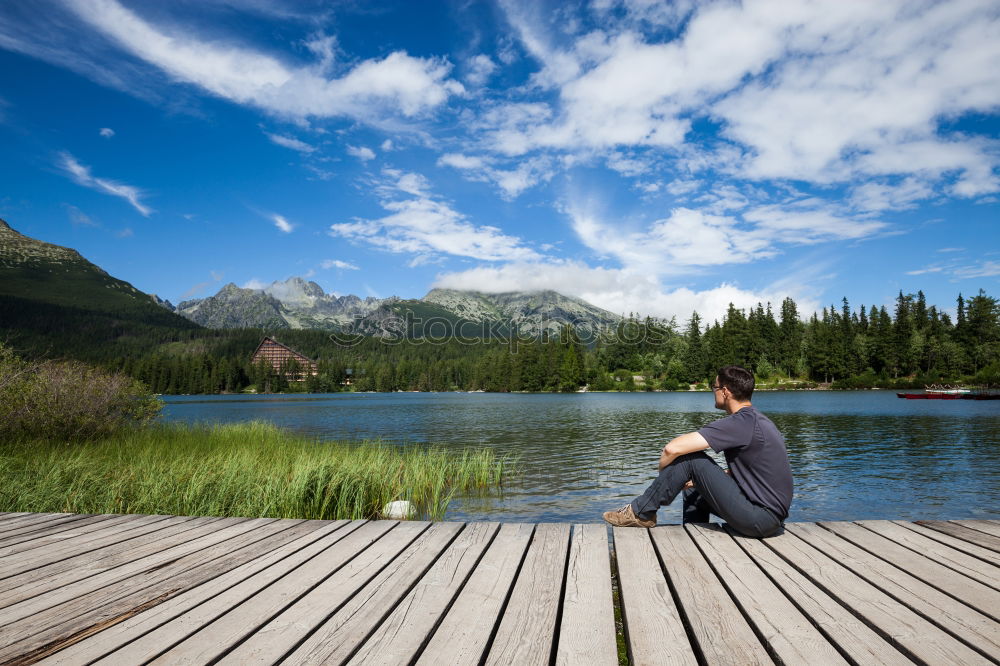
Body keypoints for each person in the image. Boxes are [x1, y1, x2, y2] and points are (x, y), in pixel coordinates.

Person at [603, 365, 792, 537]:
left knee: (691, 459)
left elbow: (672, 448)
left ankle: (640, 512)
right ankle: (693, 537)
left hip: (761, 519)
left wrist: (665, 476)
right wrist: (691, 479)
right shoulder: (757, 420)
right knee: (693, 488)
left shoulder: (741, 422)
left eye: (714, 387)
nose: (713, 391)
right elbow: (755, 472)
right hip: (769, 519)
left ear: (725, 392)